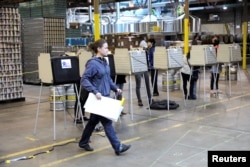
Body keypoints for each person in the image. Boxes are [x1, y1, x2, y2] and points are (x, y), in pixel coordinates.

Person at [78, 39, 131, 155]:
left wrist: (115, 88)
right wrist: (95, 91)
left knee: (93, 121)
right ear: (99, 49)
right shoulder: (93, 63)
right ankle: (118, 147)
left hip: (105, 96)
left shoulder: (104, 62)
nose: (108, 50)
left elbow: (108, 79)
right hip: (98, 98)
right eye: (106, 48)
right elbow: (84, 79)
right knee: (107, 122)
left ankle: (83, 142)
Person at [189, 34, 200, 99]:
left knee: (192, 82)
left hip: (192, 68)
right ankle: (193, 95)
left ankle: (192, 94)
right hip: (194, 68)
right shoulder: (195, 53)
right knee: (194, 82)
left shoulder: (190, 52)